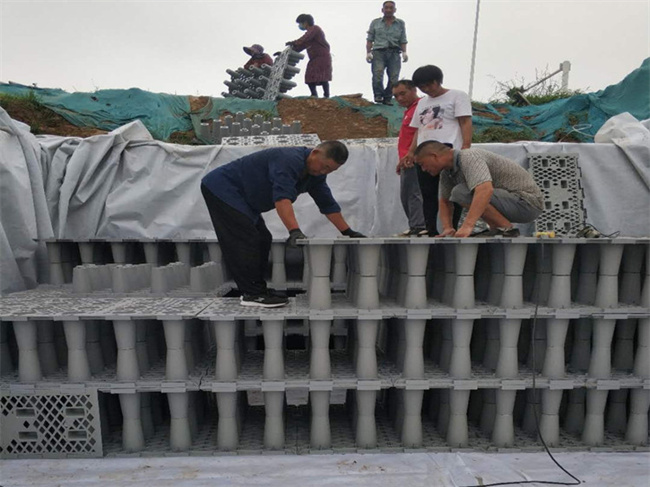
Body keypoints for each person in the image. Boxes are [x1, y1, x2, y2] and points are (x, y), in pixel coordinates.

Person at [201, 141, 365, 308]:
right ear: (315, 153)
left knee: (263, 238)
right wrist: (294, 231)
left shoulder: (316, 175)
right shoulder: (289, 160)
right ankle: (252, 293)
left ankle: (258, 289)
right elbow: (282, 199)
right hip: (222, 188)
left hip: (243, 198)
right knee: (246, 237)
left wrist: (348, 231)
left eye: (330, 170)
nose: (323, 171)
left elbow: (327, 204)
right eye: (324, 166)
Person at [414, 141, 544, 238]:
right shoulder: (447, 172)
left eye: (422, 164)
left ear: (434, 156)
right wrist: (448, 228)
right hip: (509, 202)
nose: (424, 169)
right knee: (459, 192)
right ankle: (498, 228)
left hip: (528, 203)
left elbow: (485, 190)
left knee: (461, 192)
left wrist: (467, 226)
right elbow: (444, 201)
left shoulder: (469, 157)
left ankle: (505, 228)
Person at [403, 64, 472, 235]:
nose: (427, 90)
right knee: (427, 192)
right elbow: (418, 129)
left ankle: (452, 227)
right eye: (422, 87)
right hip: (424, 151)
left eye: (429, 85)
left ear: (438, 81)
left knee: (452, 192)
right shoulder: (422, 103)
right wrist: (411, 152)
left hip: (447, 149)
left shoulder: (457, 96)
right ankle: (430, 228)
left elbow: (465, 122)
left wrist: (465, 146)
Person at [392, 80, 426, 236]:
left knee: (413, 193)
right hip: (406, 158)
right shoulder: (410, 110)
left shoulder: (421, 106)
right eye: (396, 96)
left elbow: (421, 131)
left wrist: (412, 153)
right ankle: (415, 225)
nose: (399, 98)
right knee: (406, 194)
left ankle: (419, 226)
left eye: (402, 93)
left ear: (414, 90)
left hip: (415, 158)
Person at [366, 1, 408, 105]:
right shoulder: (375, 23)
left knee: (394, 78)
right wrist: (368, 52)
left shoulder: (400, 23)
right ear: (382, 10)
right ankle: (378, 95)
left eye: (391, 8)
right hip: (379, 52)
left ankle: (388, 97)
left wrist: (404, 52)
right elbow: (370, 38)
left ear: (394, 10)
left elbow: (403, 39)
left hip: (394, 52)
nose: (388, 10)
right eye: (386, 8)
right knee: (378, 74)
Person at [286, 14, 332, 98]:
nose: (299, 26)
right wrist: (285, 52)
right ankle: (314, 94)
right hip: (314, 58)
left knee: (323, 76)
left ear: (305, 22)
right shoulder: (309, 35)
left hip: (322, 57)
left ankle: (326, 95)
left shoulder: (315, 29)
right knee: (309, 76)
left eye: (300, 23)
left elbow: (305, 38)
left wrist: (294, 42)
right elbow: (299, 47)